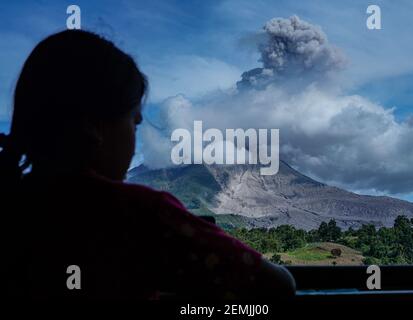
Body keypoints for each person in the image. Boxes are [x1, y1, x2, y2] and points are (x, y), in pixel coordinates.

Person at [1, 30, 296, 300]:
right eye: (134, 122)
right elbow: (277, 285)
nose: (134, 137)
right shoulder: (138, 213)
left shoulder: (15, 204)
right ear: (94, 127)